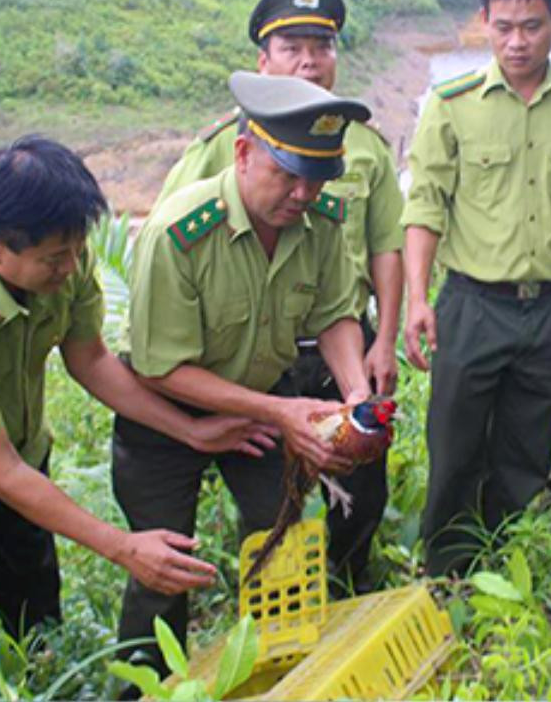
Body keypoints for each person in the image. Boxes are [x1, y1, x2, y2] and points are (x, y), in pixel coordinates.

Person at [0, 135, 267, 639]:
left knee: (36, 624)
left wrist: (191, 431)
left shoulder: (62, 258)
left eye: (77, 250)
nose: (71, 267)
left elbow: (91, 360)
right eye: (55, 258)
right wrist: (124, 547)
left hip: (22, 465)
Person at [115, 71, 372, 672]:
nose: (303, 194)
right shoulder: (179, 233)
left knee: (283, 531)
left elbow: (336, 312)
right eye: (287, 174)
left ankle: (278, 665)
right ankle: (143, 685)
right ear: (242, 152)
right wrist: (282, 414)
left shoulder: (323, 220)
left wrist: (355, 391)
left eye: (316, 178)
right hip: (166, 411)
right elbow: (159, 367)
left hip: (262, 392)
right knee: (164, 561)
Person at [155, 0, 404, 591]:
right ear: (263, 61)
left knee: (328, 497)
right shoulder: (215, 159)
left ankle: (337, 592)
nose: (309, 61)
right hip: (227, 359)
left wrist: (372, 361)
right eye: (292, 46)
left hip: (313, 348)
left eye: (321, 46)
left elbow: (375, 258)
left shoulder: (358, 151)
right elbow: (169, 278)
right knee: (226, 522)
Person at [401, 0, 551, 576]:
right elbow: (425, 208)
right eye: (502, 27)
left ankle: (502, 569)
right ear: (483, 21)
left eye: (531, 26)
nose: (516, 43)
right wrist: (419, 299)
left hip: (548, 310)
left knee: (525, 451)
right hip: (471, 307)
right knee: (454, 449)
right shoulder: (453, 104)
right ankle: (446, 575)